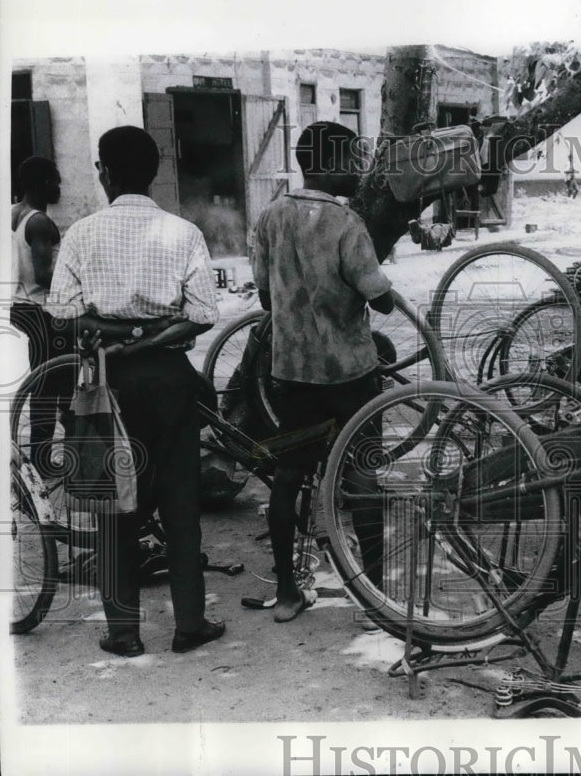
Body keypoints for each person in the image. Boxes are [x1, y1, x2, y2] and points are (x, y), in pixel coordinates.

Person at [46, 126, 223, 658]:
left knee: (111, 505)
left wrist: (116, 332)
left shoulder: (80, 233)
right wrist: (150, 331)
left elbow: (65, 317)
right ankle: (189, 624)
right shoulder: (184, 232)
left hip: (107, 385)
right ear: (153, 172)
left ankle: (123, 632)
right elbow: (201, 317)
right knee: (180, 503)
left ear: (103, 171)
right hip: (171, 380)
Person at [248, 121, 394, 623]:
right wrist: (380, 294)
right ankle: (375, 595)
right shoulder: (347, 224)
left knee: (287, 476)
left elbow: (266, 296)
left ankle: (288, 591)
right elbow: (382, 298)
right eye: (352, 160)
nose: (358, 170)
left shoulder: (271, 217)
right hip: (351, 374)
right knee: (363, 476)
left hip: (292, 375)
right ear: (329, 164)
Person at [10, 157, 72, 472]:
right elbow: (44, 275)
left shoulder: (12, 213)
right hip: (41, 310)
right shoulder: (39, 222)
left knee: (44, 384)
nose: (58, 188)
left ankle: (41, 455)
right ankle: (43, 460)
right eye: (55, 182)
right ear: (43, 184)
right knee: (53, 386)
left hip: (18, 307)